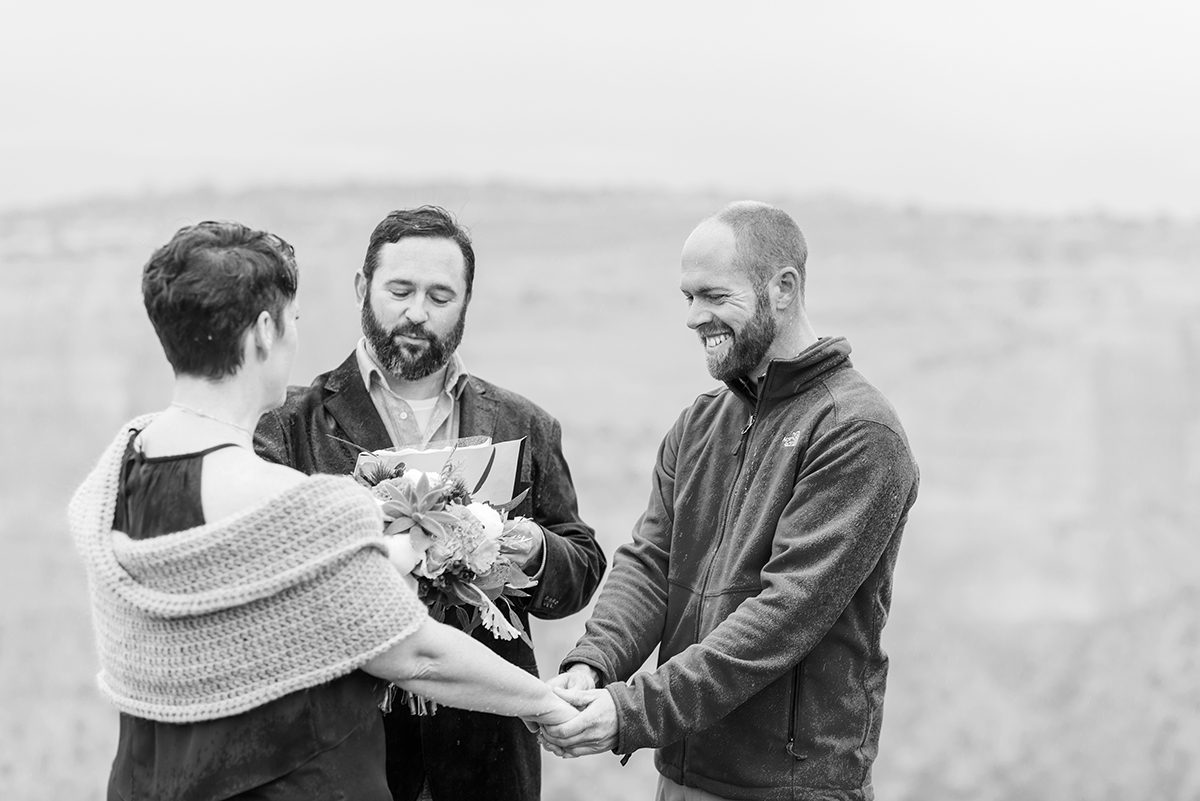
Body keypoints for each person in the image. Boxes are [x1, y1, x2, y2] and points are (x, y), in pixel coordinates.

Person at [67, 221, 578, 801]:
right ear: (265, 331)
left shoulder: (118, 468)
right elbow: (412, 651)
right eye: (293, 323)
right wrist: (547, 701)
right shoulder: (294, 502)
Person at [541, 202, 920, 801]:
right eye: (687, 297)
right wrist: (593, 665)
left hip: (789, 788)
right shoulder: (700, 422)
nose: (695, 317)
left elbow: (781, 617)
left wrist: (628, 712)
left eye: (714, 296)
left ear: (783, 289)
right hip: (683, 777)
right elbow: (649, 567)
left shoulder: (857, 432)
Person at [254, 206, 606, 801]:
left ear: (466, 303)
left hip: (490, 757)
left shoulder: (525, 423)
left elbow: (581, 568)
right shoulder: (288, 426)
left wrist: (531, 549)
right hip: (341, 756)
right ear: (363, 289)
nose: (417, 312)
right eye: (400, 290)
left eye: (441, 296)